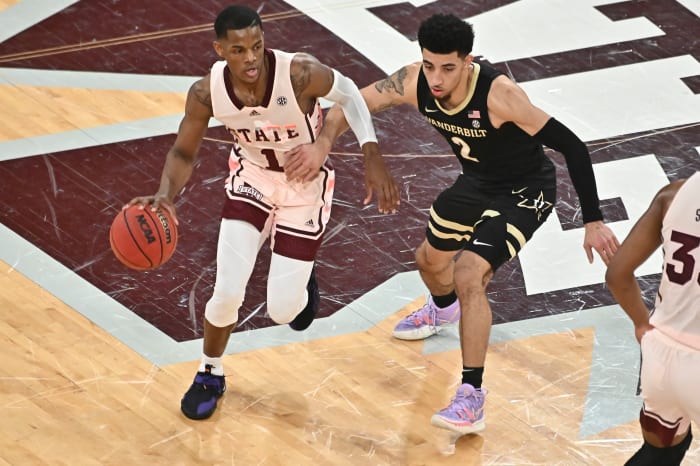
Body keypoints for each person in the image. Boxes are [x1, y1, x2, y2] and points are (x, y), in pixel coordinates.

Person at [285, 13, 619, 435]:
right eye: (429, 65)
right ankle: (444, 311)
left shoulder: (501, 95)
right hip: (478, 182)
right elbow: (349, 100)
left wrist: (592, 219)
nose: (437, 78)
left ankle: (472, 395)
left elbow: (572, 146)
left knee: (469, 272)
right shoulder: (413, 81)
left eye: (448, 67)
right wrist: (321, 144)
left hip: (525, 190)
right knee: (427, 261)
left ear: (468, 60)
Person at [128, 5, 400, 420]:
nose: (251, 58)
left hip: (304, 185)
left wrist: (369, 152)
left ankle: (302, 281)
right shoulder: (206, 92)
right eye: (238, 50)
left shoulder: (300, 73)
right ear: (220, 49)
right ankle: (209, 371)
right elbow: (184, 150)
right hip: (252, 178)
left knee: (283, 312)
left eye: (257, 46)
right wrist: (165, 194)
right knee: (227, 291)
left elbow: (349, 94)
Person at [606, 172, 699, 465]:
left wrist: (642, 324)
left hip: (659, 355)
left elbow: (617, 275)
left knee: (660, 454)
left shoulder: (674, 194)